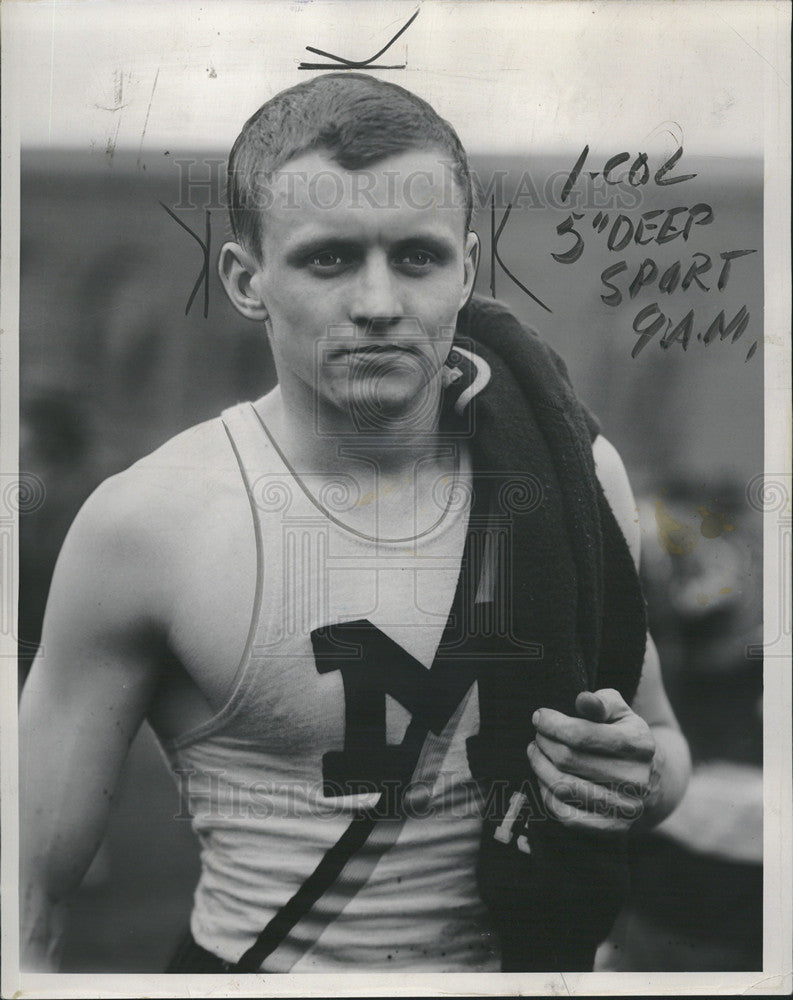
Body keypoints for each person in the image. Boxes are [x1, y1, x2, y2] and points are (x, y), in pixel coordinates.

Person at [20, 72, 691, 974]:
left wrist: (631, 776)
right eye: (328, 258)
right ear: (246, 279)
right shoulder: (148, 525)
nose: (378, 303)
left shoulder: (573, 469)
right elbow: (26, 890)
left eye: (415, 257)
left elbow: (662, 751)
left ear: (465, 266)